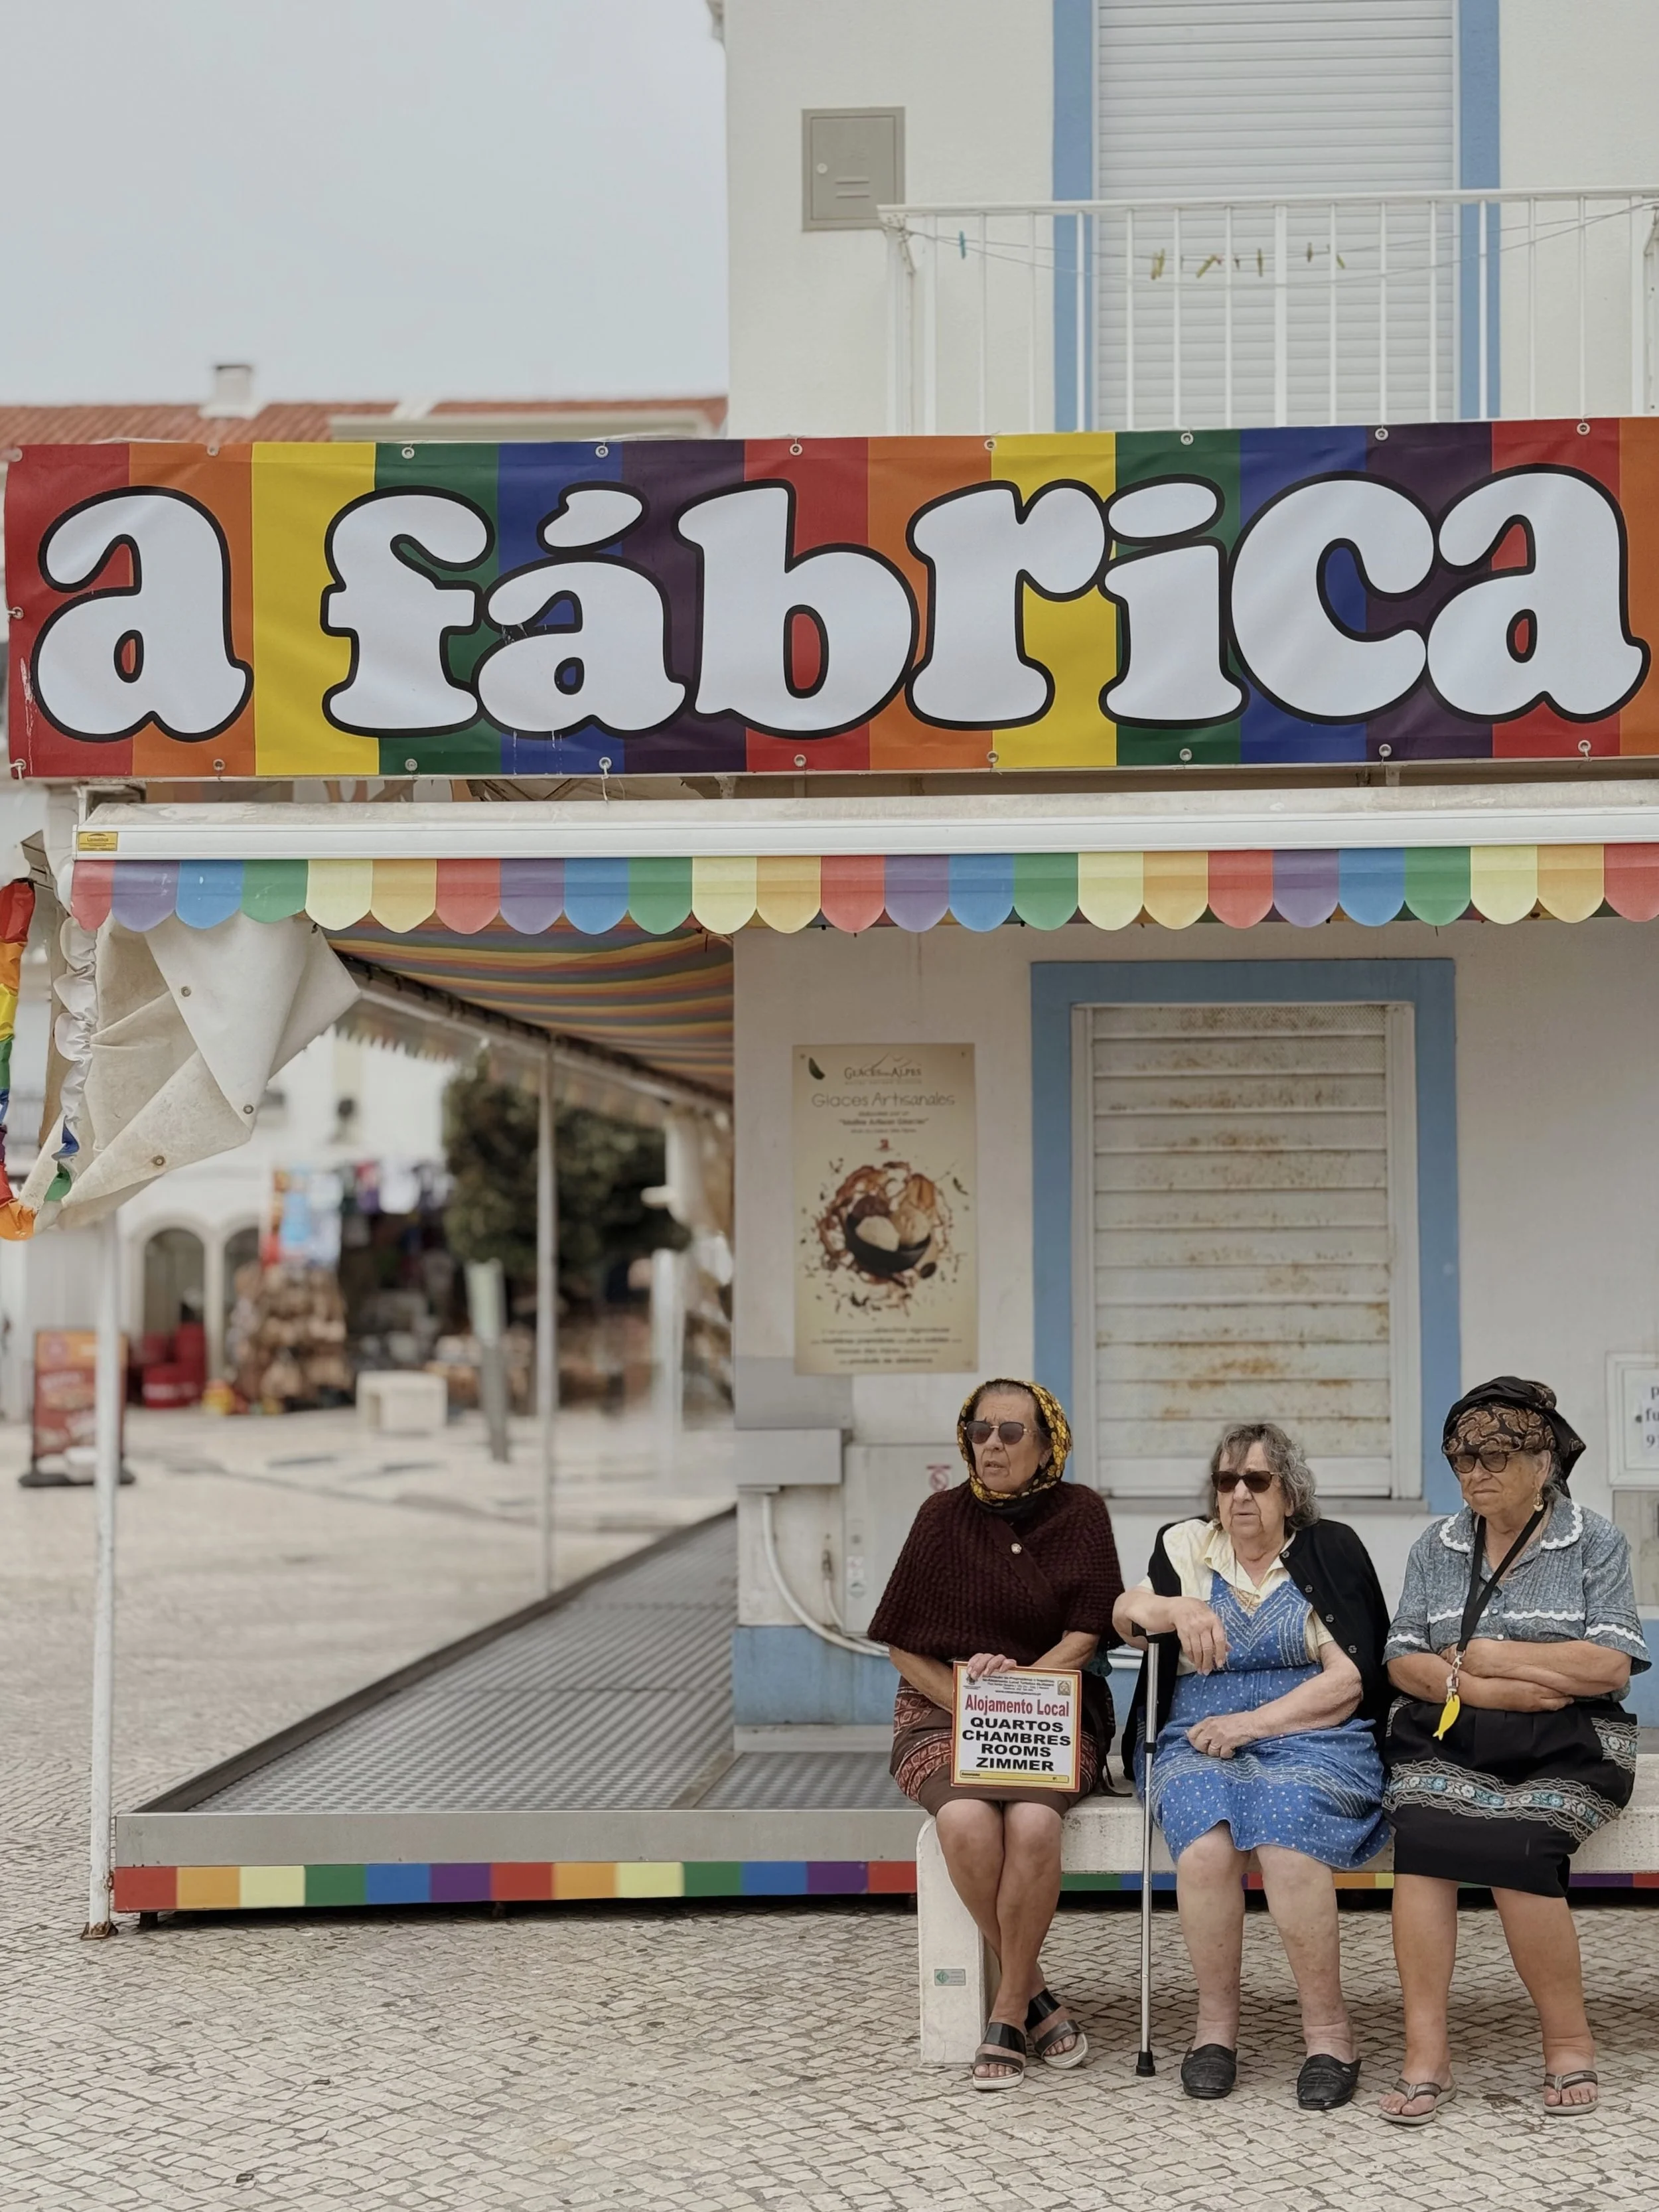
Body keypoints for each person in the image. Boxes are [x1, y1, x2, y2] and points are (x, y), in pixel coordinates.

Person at [1378, 1377, 1646, 2124]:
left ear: (1545, 1461)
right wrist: (1496, 1688)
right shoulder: (1437, 1544)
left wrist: (1491, 1656)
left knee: (1523, 1846)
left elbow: (1610, 1665)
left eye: (1495, 1456)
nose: (1475, 1473)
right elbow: (1402, 1661)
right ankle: (1425, 2054)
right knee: (1423, 1845)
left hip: (1571, 1741)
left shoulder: (1592, 1540)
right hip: (1455, 1735)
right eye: (1461, 1459)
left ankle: (1566, 2042)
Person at [1115, 1422, 1390, 2109]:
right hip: (1195, 1732)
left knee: (1289, 1842)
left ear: (1289, 1494)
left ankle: (1328, 2034)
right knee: (1206, 1849)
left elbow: (1350, 1677)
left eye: (1257, 1481)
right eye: (1226, 1481)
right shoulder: (1187, 1545)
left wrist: (1255, 1724)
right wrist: (1175, 1608)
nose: (1239, 1494)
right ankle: (1214, 2032)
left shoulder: (1329, 1549)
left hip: (1312, 1730)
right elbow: (1123, 1612)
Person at [868, 1378, 1123, 2090]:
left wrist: (1017, 1694)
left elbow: (1089, 1630)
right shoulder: (939, 1518)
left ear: (1046, 1443)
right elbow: (899, 1643)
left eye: (1011, 1432)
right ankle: (1034, 1990)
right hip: (940, 1706)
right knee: (967, 1821)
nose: (991, 1446)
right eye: (979, 1431)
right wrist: (969, 1698)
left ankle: (1006, 2007)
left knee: (1036, 1826)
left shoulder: (1080, 1514)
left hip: (1055, 1701)